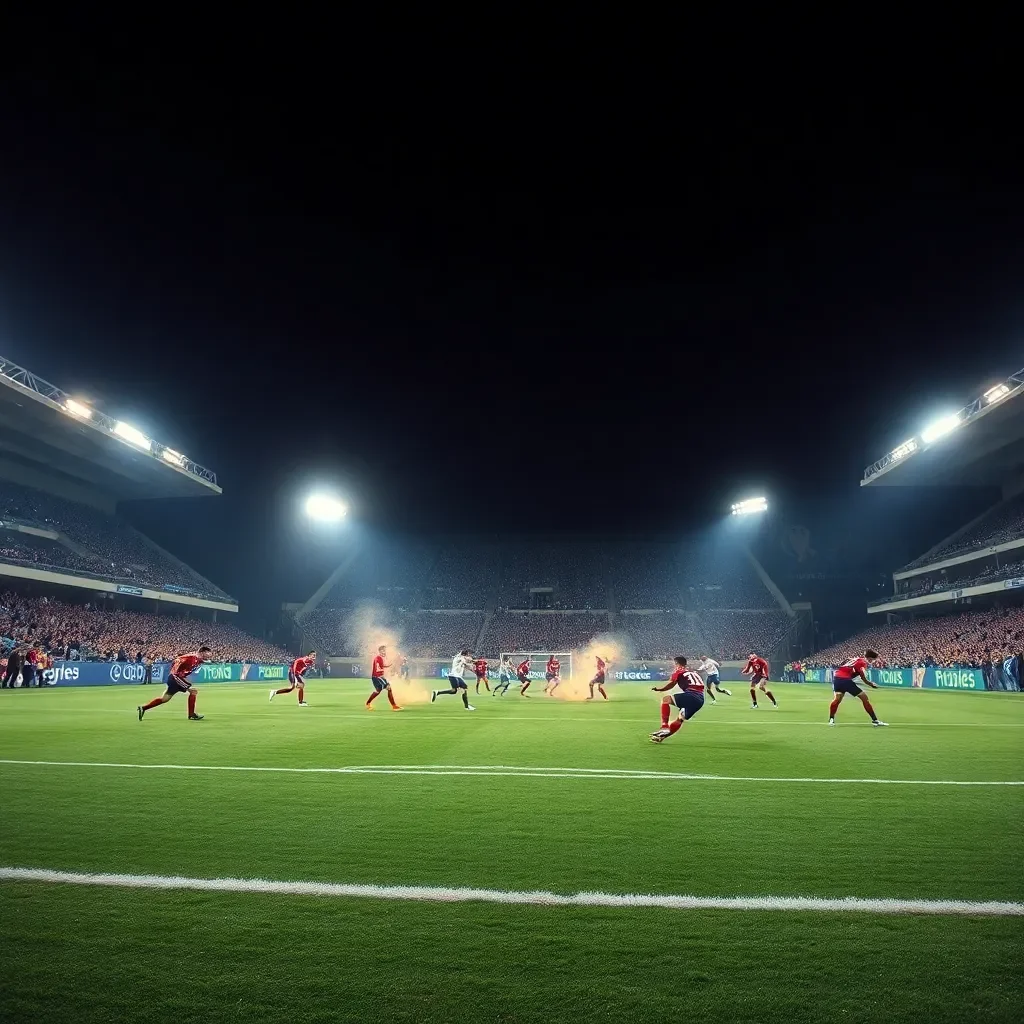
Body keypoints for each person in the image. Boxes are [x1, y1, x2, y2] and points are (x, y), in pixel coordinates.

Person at [137, 644, 210, 721]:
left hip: (176, 678)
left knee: (165, 699)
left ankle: (143, 708)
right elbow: (177, 660)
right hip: (175, 678)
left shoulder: (198, 660)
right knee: (193, 691)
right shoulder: (191, 657)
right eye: (208, 653)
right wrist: (175, 672)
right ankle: (191, 715)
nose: (209, 656)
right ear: (202, 652)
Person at [650, 656, 705, 743]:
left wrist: (660, 689)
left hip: (691, 695)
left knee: (665, 699)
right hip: (700, 699)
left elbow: (672, 683)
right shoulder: (693, 672)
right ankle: (661, 737)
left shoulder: (679, 670)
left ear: (676, 663)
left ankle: (664, 726)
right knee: (680, 719)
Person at [830, 649, 888, 727]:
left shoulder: (855, 659)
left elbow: (844, 663)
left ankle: (831, 719)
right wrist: (870, 684)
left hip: (837, 678)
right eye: (874, 660)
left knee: (837, 699)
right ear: (870, 658)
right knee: (864, 698)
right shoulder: (863, 663)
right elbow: (863, 677)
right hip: (845, 680)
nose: (873, 661)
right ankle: (875, 720)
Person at [366, 645, 401, 710]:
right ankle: (394, 706)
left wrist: (390, 664)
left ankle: (368, 703)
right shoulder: (378, 658)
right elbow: (379, 668)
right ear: (379, 651)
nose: (384, 653)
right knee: (389, 687)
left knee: (378, 691)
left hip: (377, 677)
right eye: (383, 651)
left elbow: (382, 666)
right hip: (378, 677)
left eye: (385, 651)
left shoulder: (379, 658)